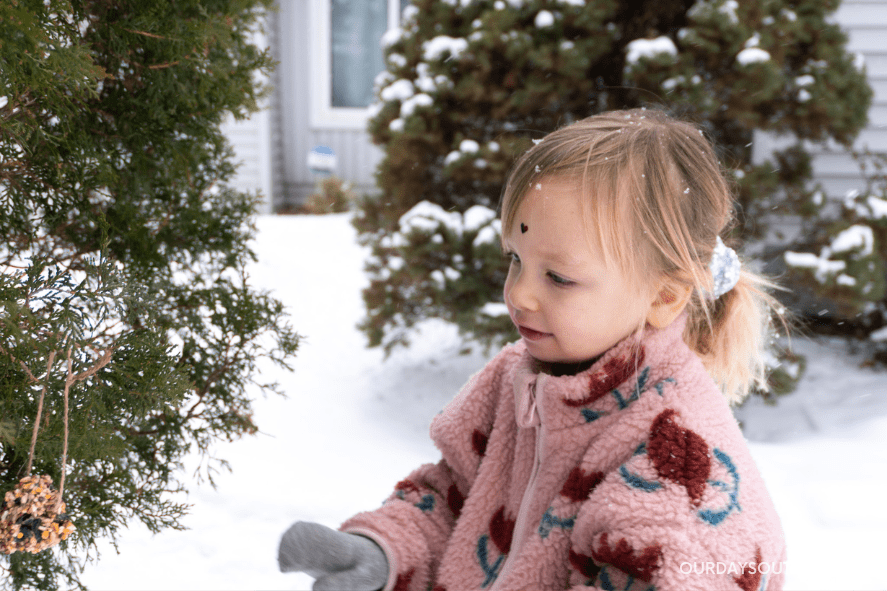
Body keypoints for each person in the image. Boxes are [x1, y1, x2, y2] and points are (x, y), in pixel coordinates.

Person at [278, 108, 789, 591]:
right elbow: (455, 496)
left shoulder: (675, 455)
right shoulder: (513, 380)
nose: (518, 293)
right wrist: (386, 550)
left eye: (559, 277)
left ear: (663, 295)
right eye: (515, 259)